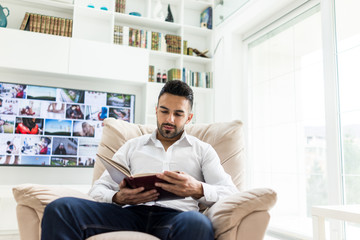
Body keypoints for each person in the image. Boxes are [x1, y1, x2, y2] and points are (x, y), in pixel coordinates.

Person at [41, 80, 238, 240]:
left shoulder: (203, 150)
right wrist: (118, 198)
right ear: (156, 111)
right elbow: (98, 190)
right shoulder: (132, 146)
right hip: (128, 215)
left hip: (176, 218)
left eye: (178, 114)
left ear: (189, 118)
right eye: (164, 111)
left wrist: (197, 189)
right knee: (60, 209)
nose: (169, 119)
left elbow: (231, 193)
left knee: (197, 223)